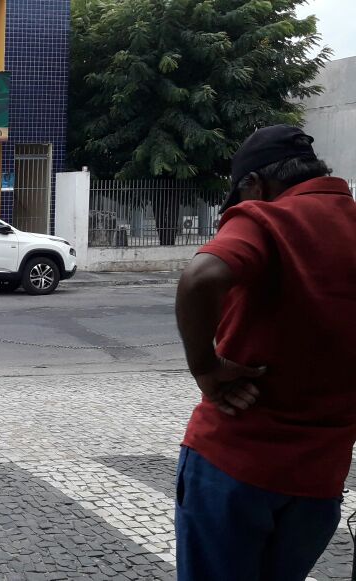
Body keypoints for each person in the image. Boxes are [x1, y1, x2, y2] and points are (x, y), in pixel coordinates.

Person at [174, 125, 356, 581]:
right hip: (320, 478)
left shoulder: (268, 218)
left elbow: (200, 277)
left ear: (254, 184)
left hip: (235, 461)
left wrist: (205, 368)